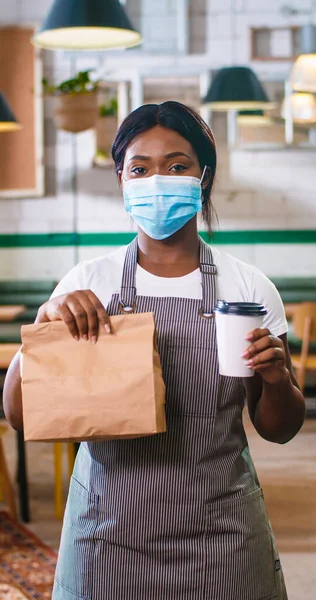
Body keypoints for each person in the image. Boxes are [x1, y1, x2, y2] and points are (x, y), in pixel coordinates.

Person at [4, 101, 305, 600]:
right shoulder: (88, 283)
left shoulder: (248, 287)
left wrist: (276, 380)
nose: (157, 179)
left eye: (177, 165)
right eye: (140, 168)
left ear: (203, 177)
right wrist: (42, 327)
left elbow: (280, 428)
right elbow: (18, 414)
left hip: (222, 534)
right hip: (107, 532)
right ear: (122, 180)